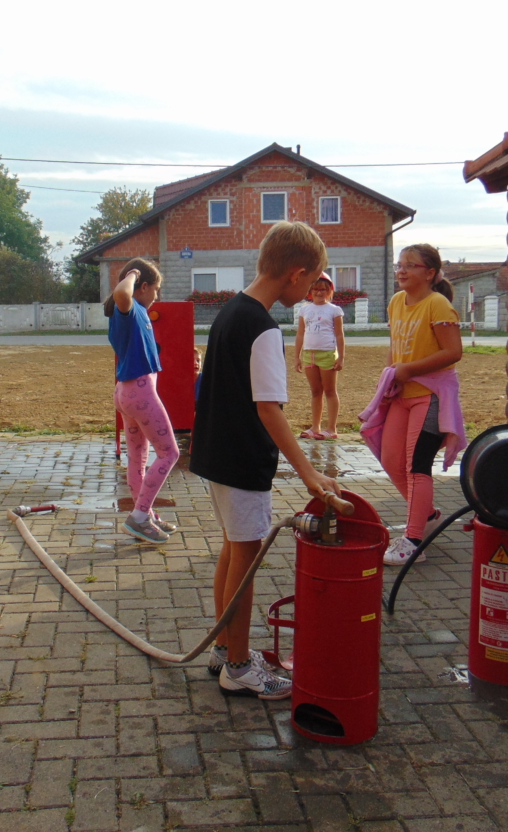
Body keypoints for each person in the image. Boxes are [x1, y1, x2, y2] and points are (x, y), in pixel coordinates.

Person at [191, 221, 341, 699]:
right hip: (242, 460)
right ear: (295, 274)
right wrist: (309, 472)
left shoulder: (230, 311)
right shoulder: (263, 328)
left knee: (233, 549)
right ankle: (238, 666)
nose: (311, 288)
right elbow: (269, 410)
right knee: (247, 556)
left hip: (216, 454)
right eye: (311, 279)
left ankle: (223, 648)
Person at [378, 244, 466, 567]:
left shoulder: (438, 305)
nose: (401, 270)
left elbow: (453, 352)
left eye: (409, 265)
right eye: (399, 265)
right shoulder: (396, 302)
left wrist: (409, 370)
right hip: (402, 395)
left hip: (431, 396)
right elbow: (395, 347)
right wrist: (392, 377)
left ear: (429, 273)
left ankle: (414, 541)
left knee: (417, 465)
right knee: (391, 460)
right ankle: (427, 516)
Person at [104, 258, 180, 543]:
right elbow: (122, 293)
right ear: (143, 286)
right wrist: (133, 273)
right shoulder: (128, 308)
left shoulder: (136, 312)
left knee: (138, 457)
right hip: (140, 392)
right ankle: (138, 518)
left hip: (127, 392)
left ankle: (144, 514)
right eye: (156, 289)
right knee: (170, 453)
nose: (157, 296)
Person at [294, 273, 345, 440]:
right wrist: (297, 356)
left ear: (329, 291)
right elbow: (300, 334)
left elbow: (339, 335)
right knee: (316, 392)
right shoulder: (304, 310)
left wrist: (341, 357)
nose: (319, 292)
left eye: (323, 289)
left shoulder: (334, 310)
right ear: (310, 291)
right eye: (315, 289)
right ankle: (315, 427)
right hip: (309, 355)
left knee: (330, 391)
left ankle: (331, 428)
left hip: (327, 354)